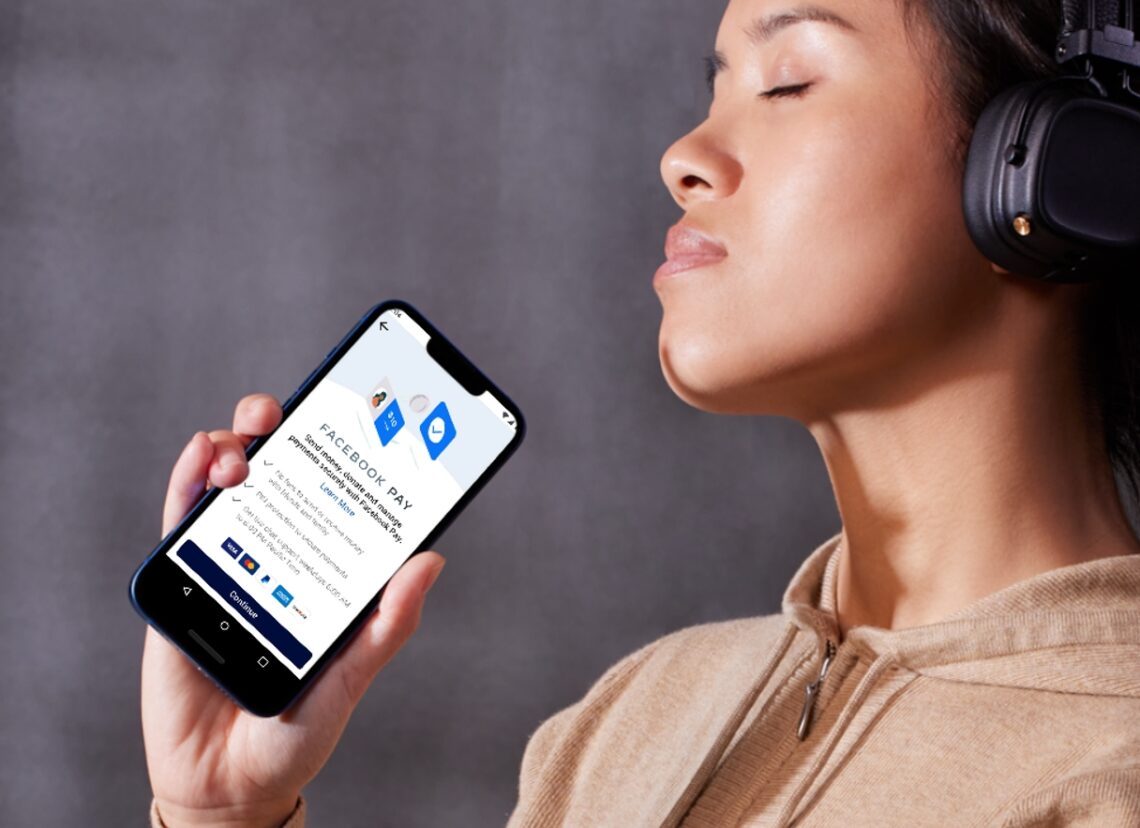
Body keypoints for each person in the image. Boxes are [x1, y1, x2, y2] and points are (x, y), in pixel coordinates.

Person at [141, 0, 1140, 825]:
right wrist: (222, 816)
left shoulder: (1108, 776)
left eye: (788, 82)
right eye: (712, 88)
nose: (682, 155)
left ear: (1056, 168)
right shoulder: (622, 724)